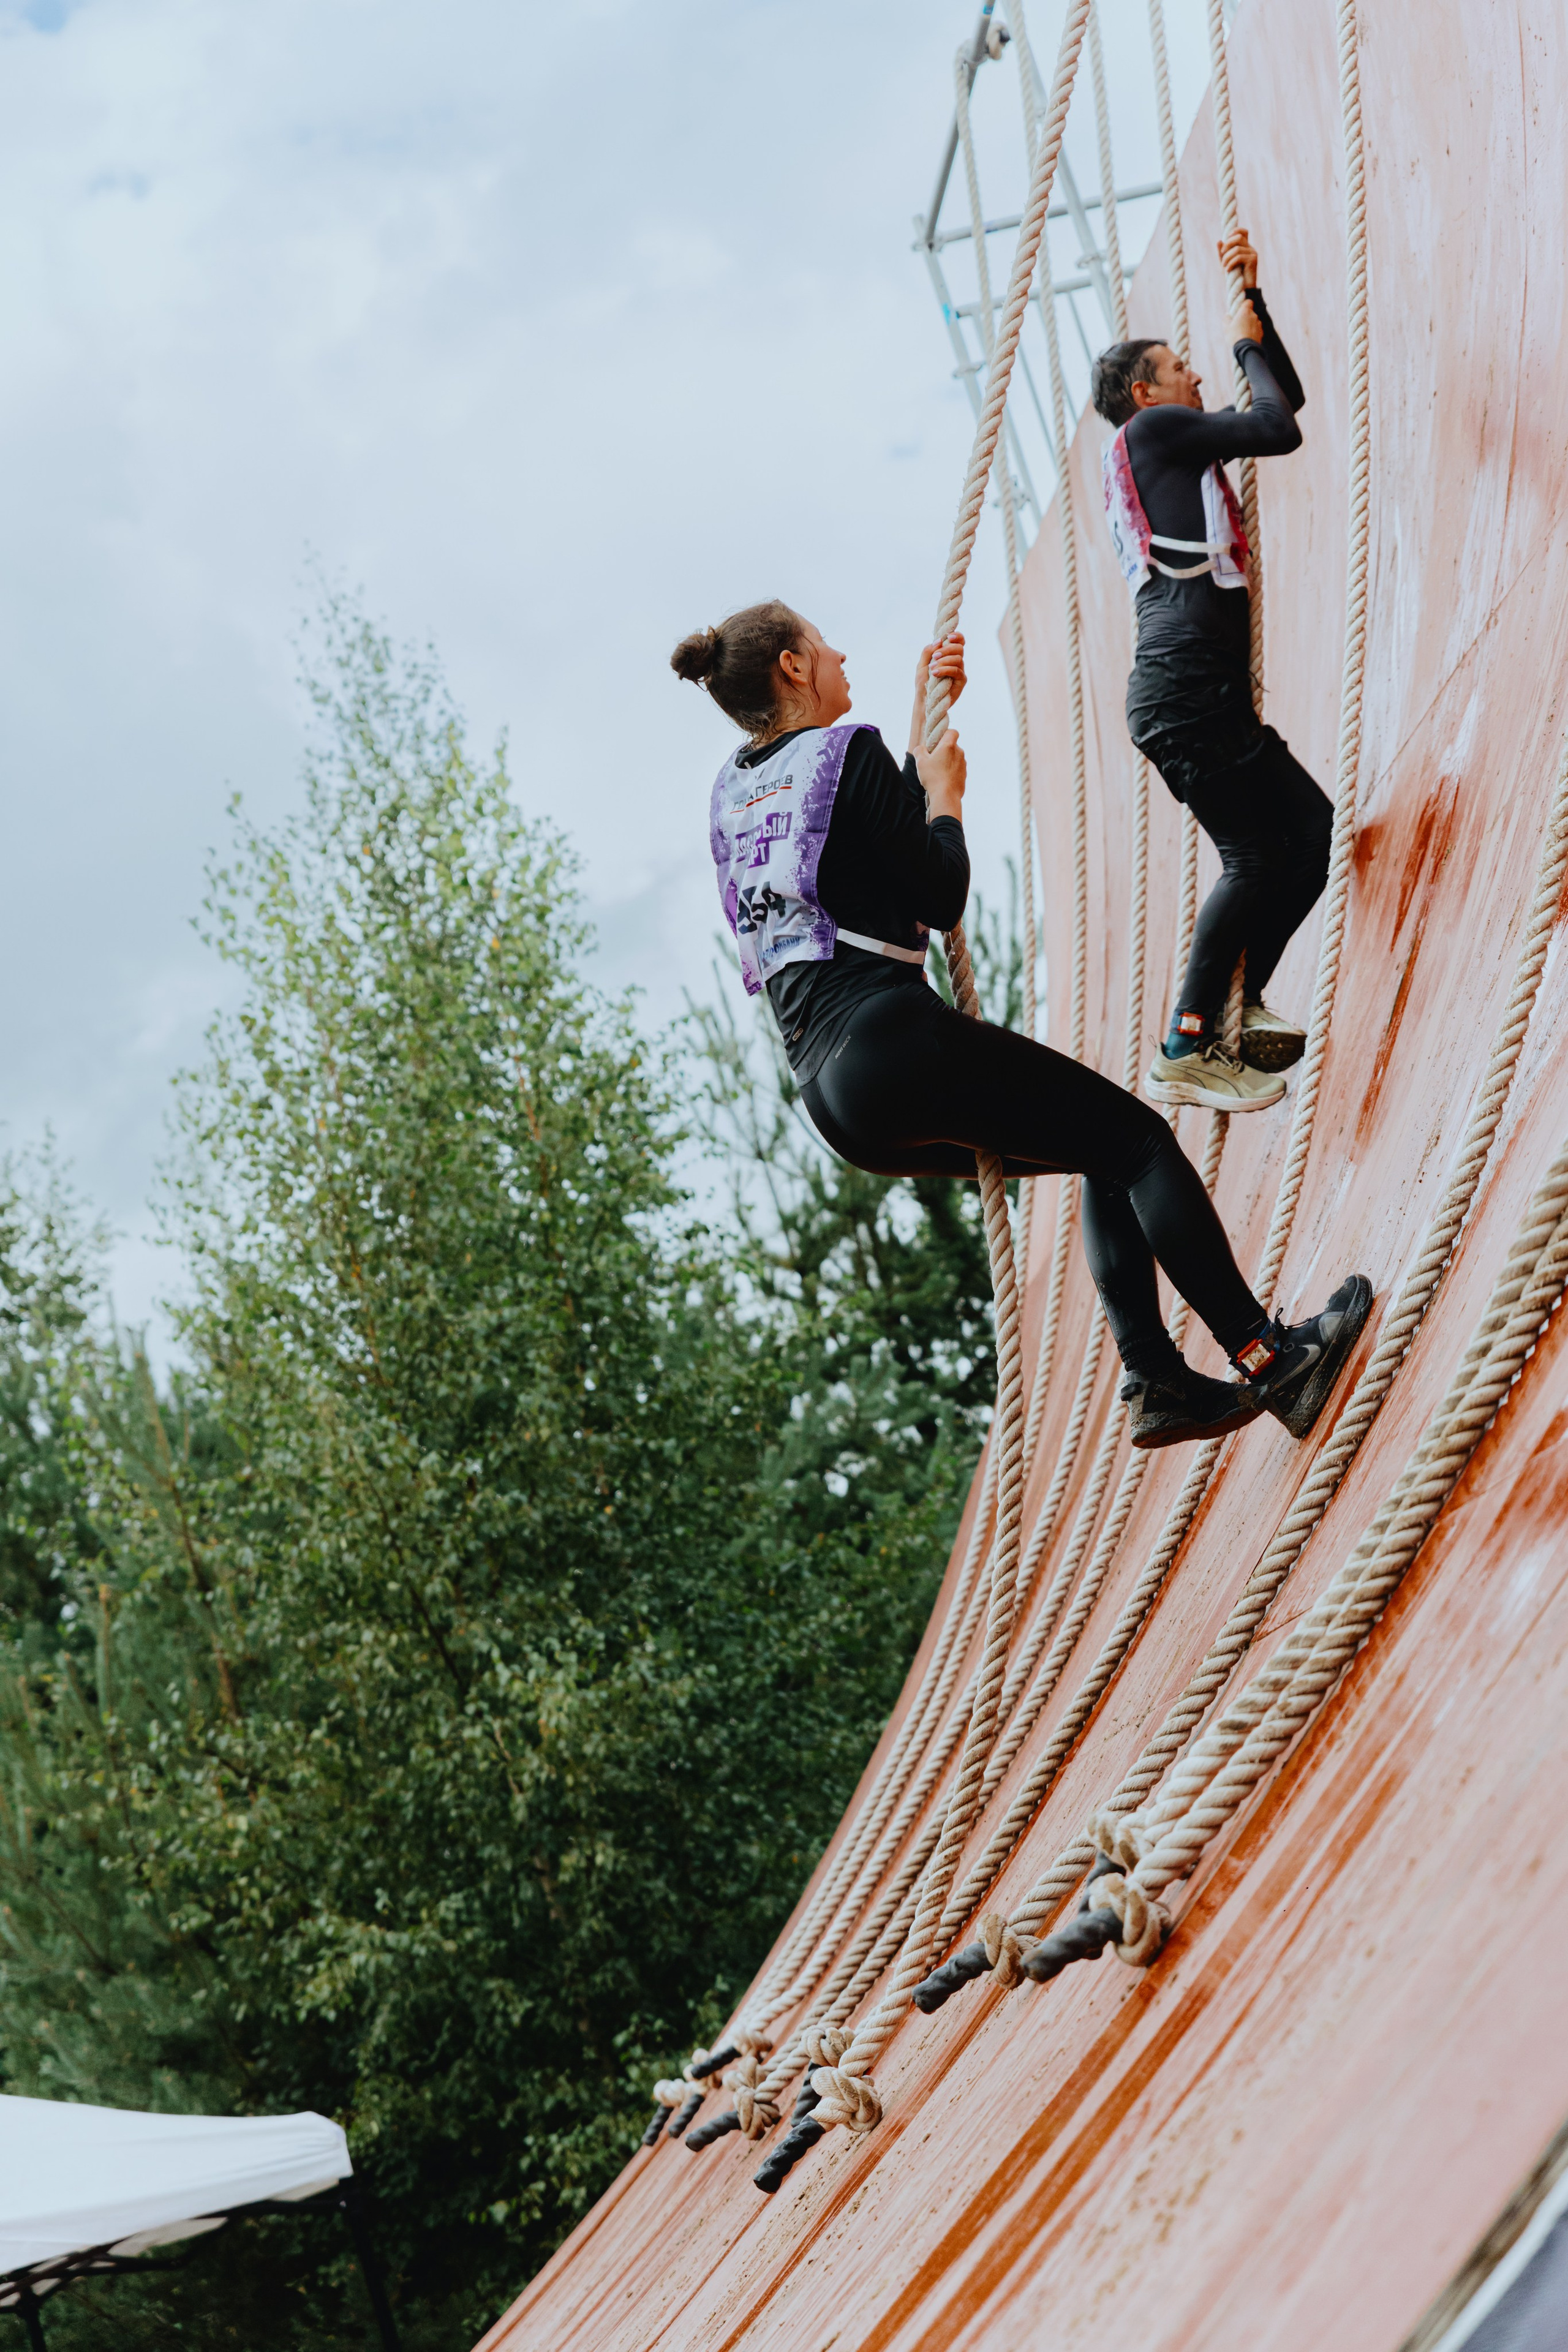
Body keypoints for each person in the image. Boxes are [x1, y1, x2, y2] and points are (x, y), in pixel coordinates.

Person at [673, 600, 1370, 1448]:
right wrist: (948, 797)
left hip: (831, 1098)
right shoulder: (842, 753)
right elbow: (936, 891)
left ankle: (1159, 1381)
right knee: (1142, 1143)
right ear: (791, 666)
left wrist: (933, 711)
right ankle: (1271, 1360)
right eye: (821, 645)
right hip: (890, 1039)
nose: (840, 652)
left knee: (1097, 1151)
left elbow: (852, 858)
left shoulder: (737, 796)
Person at [1092, 230, 1333, 1116]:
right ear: (1145, 392)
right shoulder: (1155, 430)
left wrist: (1254, 303)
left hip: (1197, 691)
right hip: (1184, 691)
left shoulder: (1170, 449)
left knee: (1308, 834)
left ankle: (1239, 1003)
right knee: (1253, 854)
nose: (1199, 378)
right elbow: (1275, 424)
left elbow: (1283, 400)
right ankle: (1185, 1045)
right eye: (1182, 366)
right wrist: (1240, 341)